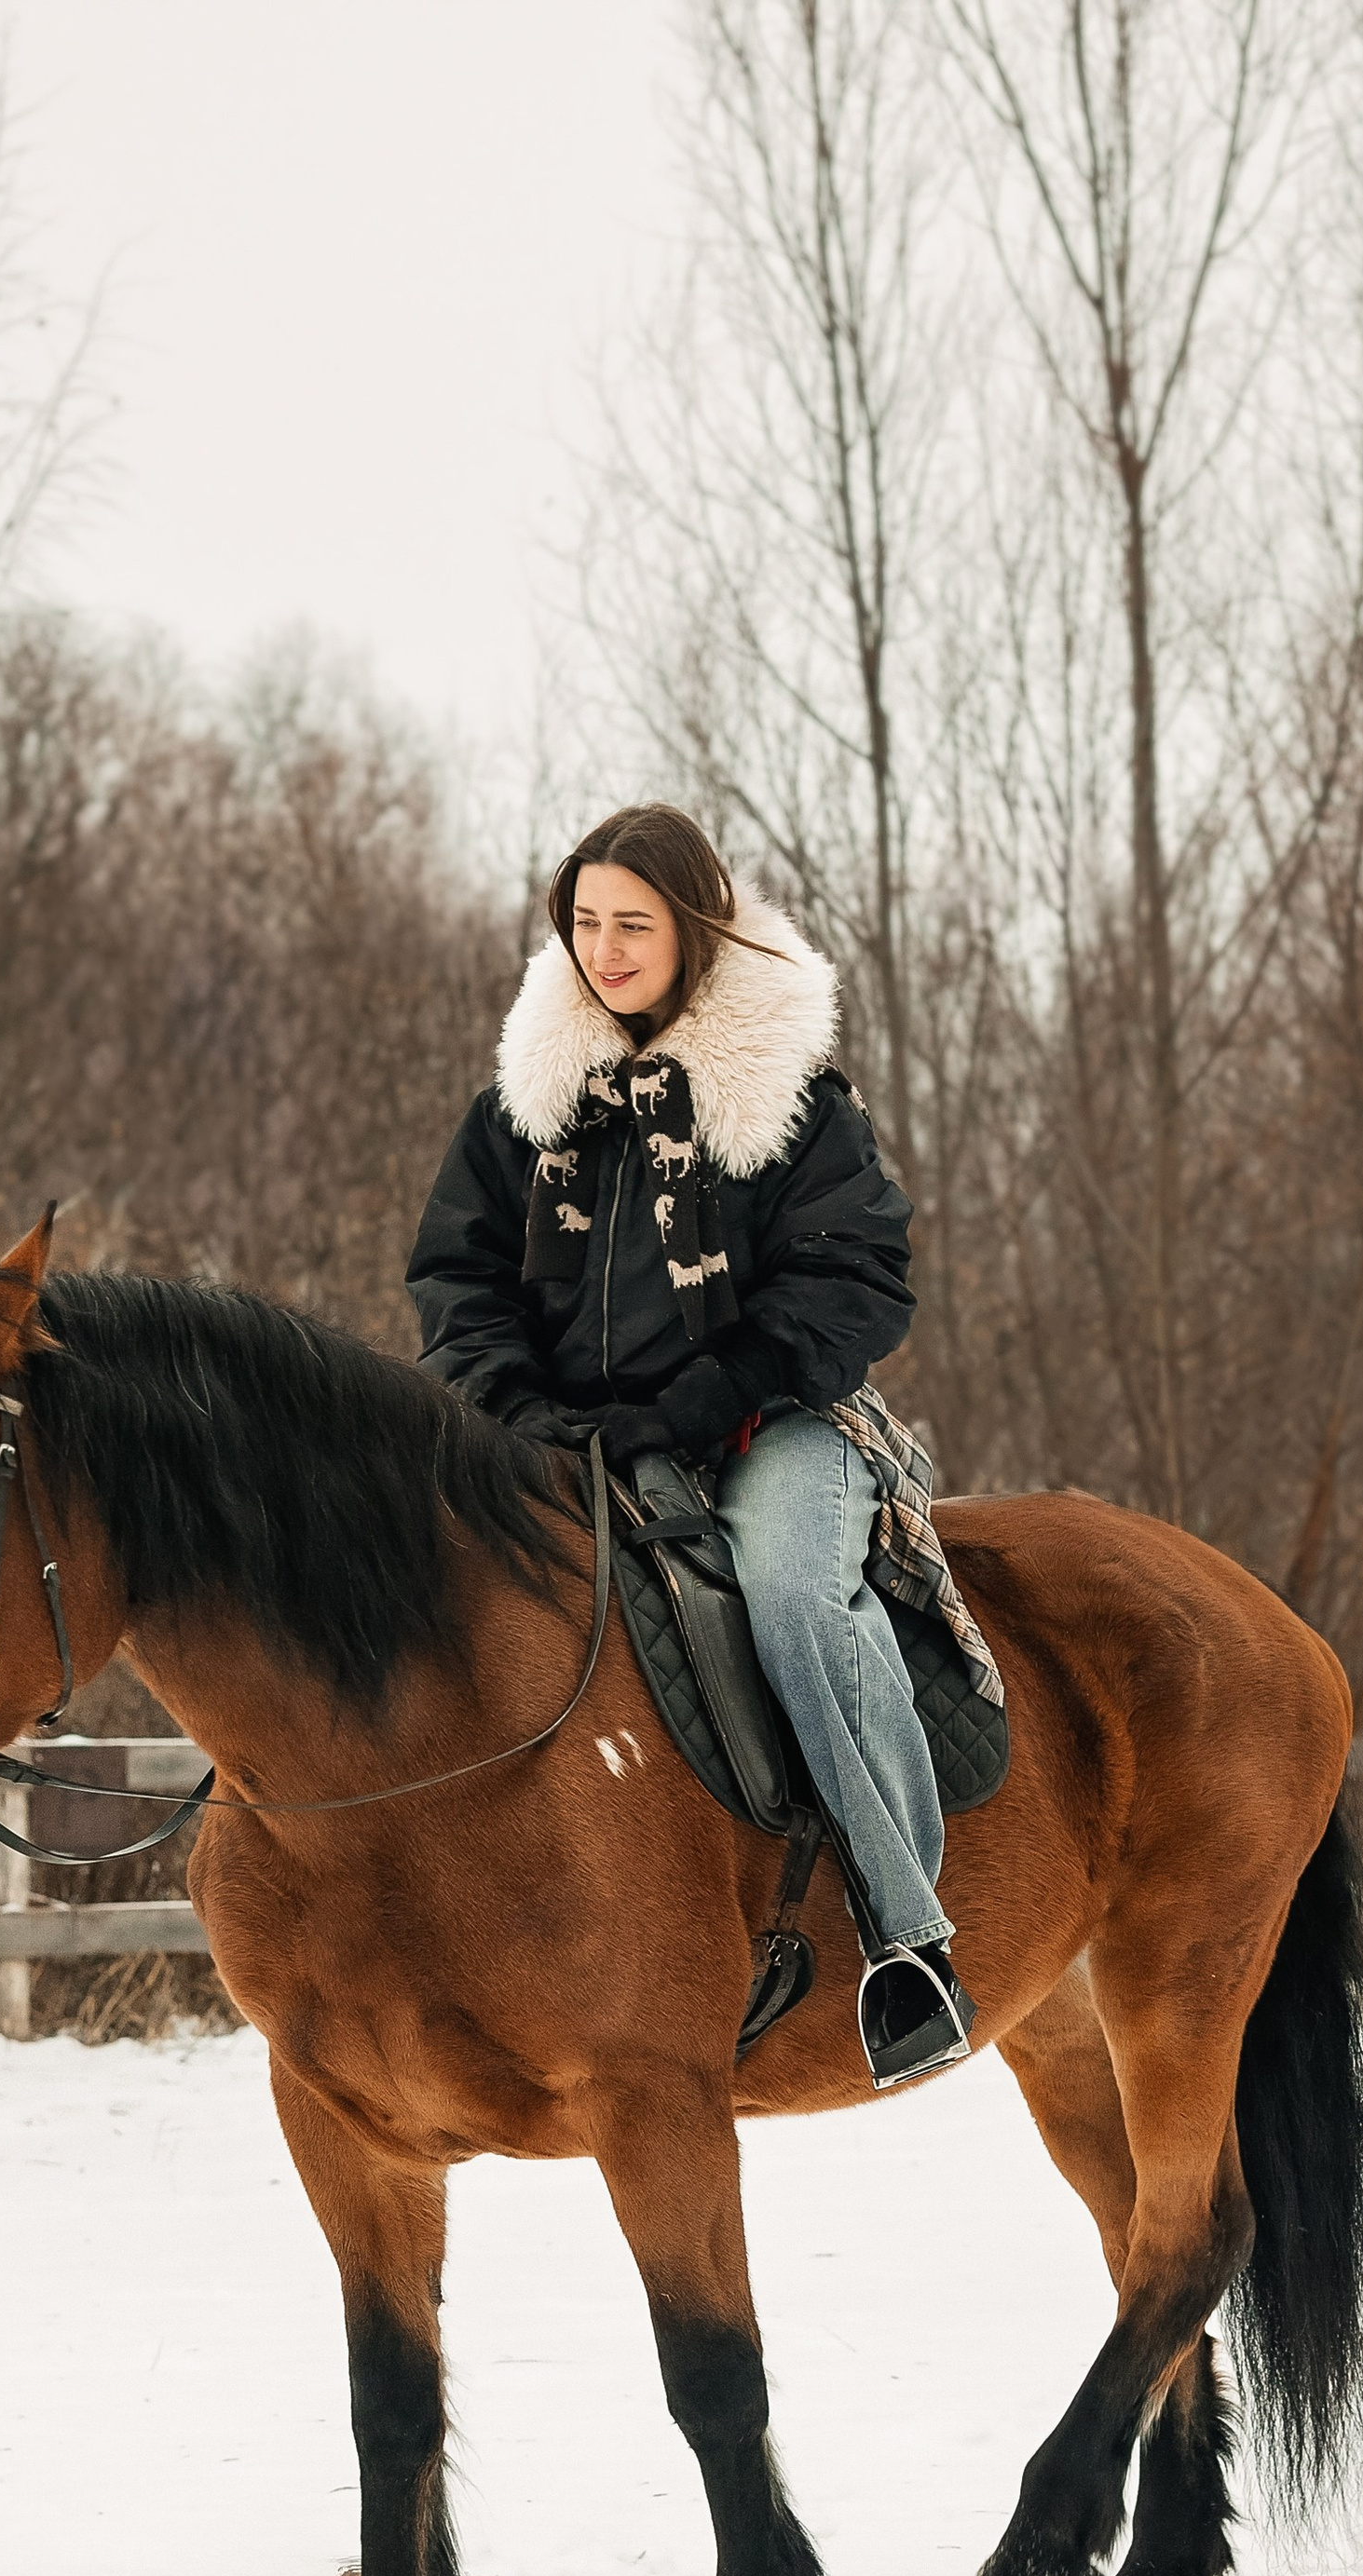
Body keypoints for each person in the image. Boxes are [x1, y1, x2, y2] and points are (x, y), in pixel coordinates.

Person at [406, 803, 975, 2088]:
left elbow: (855, 1283)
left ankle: (908, 1941)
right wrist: (513, 1404)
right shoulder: (526, 1108)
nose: (606, 950)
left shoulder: (790, 1096)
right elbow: (456, 1275)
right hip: (560, 1436)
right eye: (586, 923)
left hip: (775, 1425)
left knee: (786, 1595)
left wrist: (702, 1398)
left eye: (635, 925)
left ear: (696, 930)